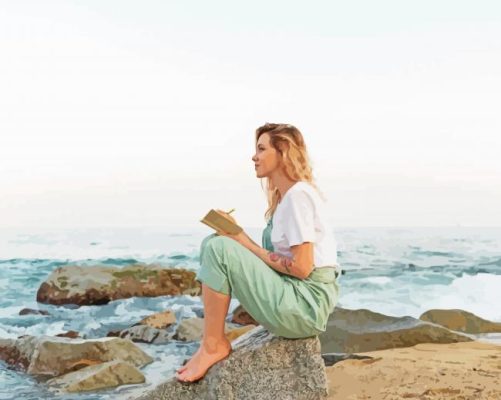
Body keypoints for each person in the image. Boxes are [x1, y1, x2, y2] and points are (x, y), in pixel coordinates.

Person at [175, 123, 341, 383]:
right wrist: (236, 235)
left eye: (261, 149)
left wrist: (241, 241)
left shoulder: (298, 196)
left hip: (305, 307)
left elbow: (302, 268)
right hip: (295, 297)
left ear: (282, 152)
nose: (254, 157)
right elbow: (278, 261)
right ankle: (211, 342)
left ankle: (214, 344)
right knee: (213, 243)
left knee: (219, 248)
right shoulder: (287, 199)